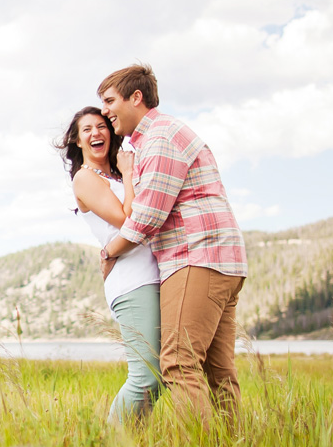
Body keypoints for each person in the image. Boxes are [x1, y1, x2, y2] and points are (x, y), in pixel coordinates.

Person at [97, 64, 248, 425]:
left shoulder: (161, 136)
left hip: (196, 256)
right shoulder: (160, 137)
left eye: (109, 101)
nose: (105, 111)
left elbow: (147, 215)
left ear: (137, 97)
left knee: (178, 362)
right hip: (219, 259)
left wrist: (109, 252)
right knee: (218, 372)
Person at [57, 106, 162, 422]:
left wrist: (126, 173)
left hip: (155, 275)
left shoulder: (115, 173)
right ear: (77, 141)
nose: (95, 133)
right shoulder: (85, 179)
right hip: (131, 281)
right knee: (145, 377)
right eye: (86, 129)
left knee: (160, 377)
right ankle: (109, 446)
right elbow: (131, 221)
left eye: (101, 126)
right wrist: (129, 174)